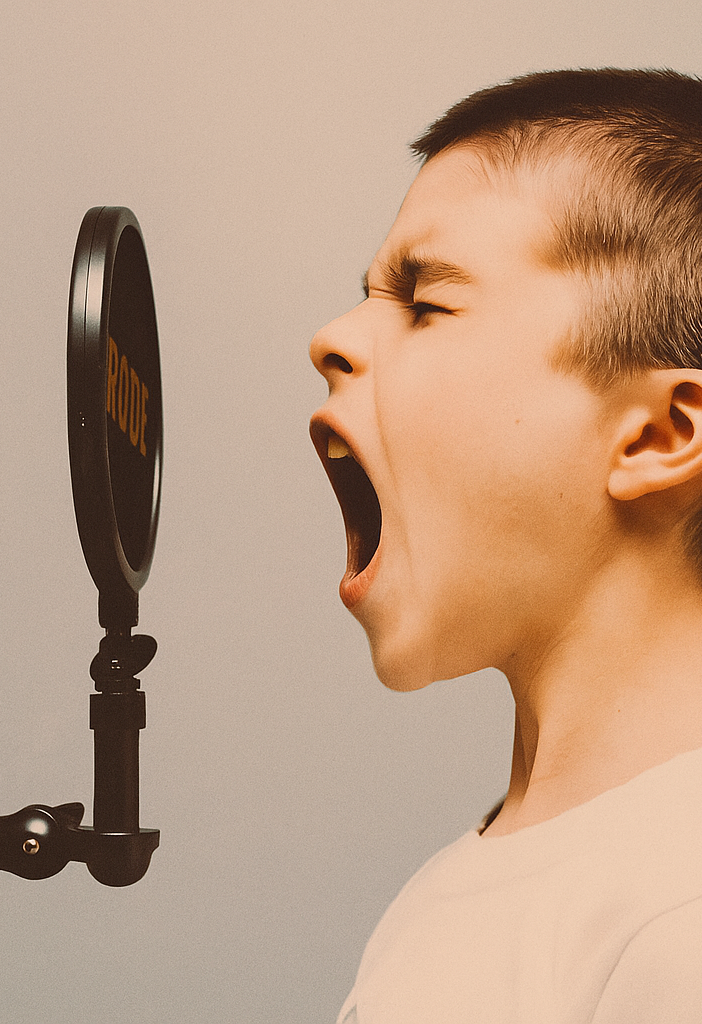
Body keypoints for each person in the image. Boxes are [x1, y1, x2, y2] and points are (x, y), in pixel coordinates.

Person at [309, 68, 702, 1023]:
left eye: (424, 303)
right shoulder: (459, 888)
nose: (330, 339)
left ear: (658, 435)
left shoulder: (678, 920)